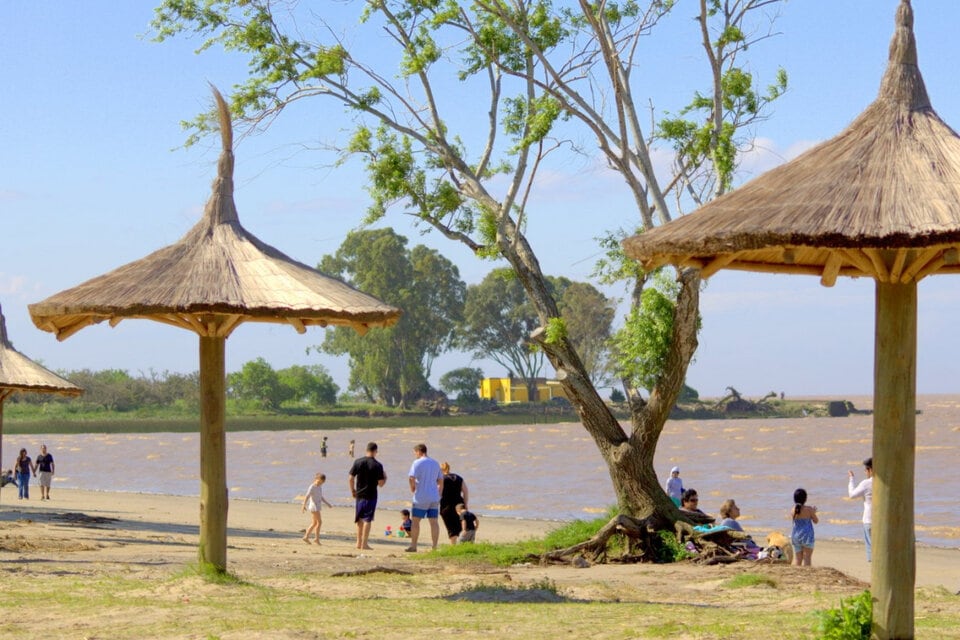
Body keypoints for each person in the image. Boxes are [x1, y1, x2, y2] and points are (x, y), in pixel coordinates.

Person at [348, 442, 387, 551]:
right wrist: (385, 477)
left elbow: (351, 478)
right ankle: (364, 544)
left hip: (359, 494)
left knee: (359, 519)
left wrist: (352, 490)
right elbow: (381, 484)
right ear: (375, 451)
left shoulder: (358, 461)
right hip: (371, 495)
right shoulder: (377, 465)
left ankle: (358, 542)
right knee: (367, 520)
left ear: (366, 450)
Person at [406, 443, 443, 552]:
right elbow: (441, 480)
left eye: (415, 453)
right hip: (433, 496)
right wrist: (439, 493)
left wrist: (412, 487)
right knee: (434, 522)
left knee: (416, 521)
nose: (415, 455)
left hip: (421, 496)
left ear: (419, 451)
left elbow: (411, 477)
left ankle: (414, 546)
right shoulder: (435, 463)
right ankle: (435, 546)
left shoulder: (417, 462)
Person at [848, 457, 874, 562]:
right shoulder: (885, 483)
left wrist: (851, 479)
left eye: (866, 470)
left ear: (870, 470)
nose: (865, 472)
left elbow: (852, 495)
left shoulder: (866, 483)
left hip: (869, 519)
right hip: (883, 520)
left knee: (871, 549)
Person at [439, 461, 469, 544]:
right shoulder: (459, 478)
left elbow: (439, 492)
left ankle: (453, 545)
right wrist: (465, 504)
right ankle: (463, 544)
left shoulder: (441, 479)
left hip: (446, 505)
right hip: (459, 504)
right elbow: (465, 491)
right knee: (460, 524)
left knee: (450, 526)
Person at [300, 472, 333, 544]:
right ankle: (316, 539)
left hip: (317, 506)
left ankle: (306, 537)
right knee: (319, 522)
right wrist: (303, 505)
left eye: (322, 482)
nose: (320, 483)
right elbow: (307, 496)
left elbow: (320, 497)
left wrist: (327, 504)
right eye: (319, 481)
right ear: (316, 479)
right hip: (313, 506)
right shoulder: (312, 486)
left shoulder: (319, 487)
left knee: (314, 523)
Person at [789, 488, 818, 567]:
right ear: (805, 498)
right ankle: (807, 575)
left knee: (798, 559)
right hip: (807, 536)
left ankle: (797, 574)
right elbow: (816, 521)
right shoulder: (809, 509)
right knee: (807, 558)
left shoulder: (793, 510)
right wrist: (813, 512)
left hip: (796, 535)